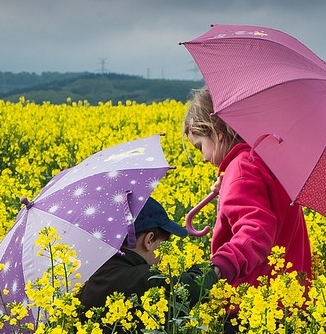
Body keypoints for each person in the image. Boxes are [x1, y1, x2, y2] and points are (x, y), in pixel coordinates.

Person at [183, 86, 312, 292]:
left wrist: (220, 267)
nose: (204, 158)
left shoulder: (241, 168)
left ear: (217, 133)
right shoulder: (270, 162)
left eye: (200, 147)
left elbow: (257, 228)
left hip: (255, 300)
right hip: (291, 295)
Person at [77, 196, 217, 315]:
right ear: (149, 240)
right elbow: (195, 288)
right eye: (164, 243)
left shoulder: (87, 275)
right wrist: (218, 266)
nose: (164, 254)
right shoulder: (148, 279)